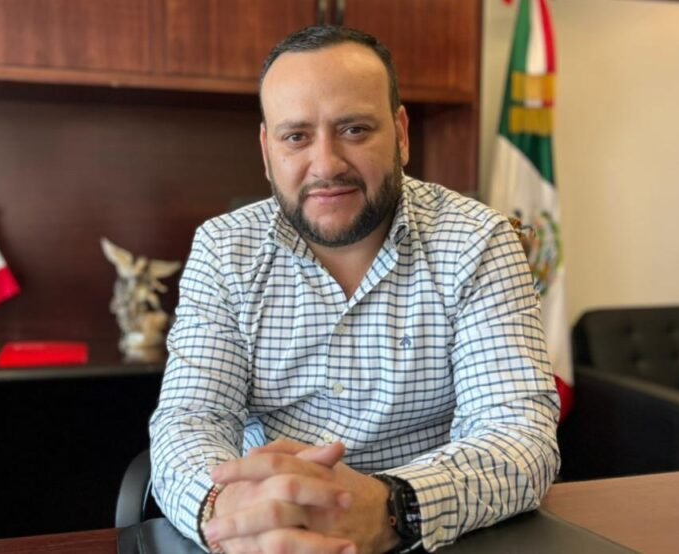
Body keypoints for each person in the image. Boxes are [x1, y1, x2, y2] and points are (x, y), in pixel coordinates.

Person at [149, 25, 560, 554]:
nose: (326, 165)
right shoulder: (225, 249)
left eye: (355, 129)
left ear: (401, 134)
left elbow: (518, 436)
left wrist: (392, 506)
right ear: (267, 151)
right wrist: (227, 511)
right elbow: (191, 419)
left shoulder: (479, 241)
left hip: (429, 537)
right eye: (296, 137)